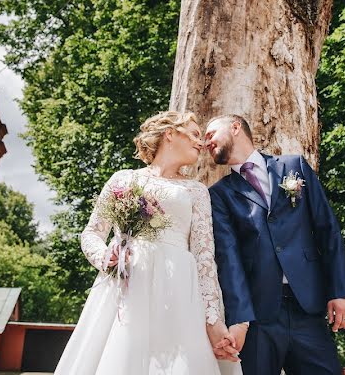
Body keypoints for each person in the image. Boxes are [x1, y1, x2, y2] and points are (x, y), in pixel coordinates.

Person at [54, 111, 242, 375]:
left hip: (179, 293)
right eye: (195, 134)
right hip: (127, 289)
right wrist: (104, 256)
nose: (201, 143)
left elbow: (204, 257)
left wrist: (212, 318)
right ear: (170, 134)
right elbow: (91, 233)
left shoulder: (196, 191)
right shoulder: (124, 179)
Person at [205, 114, 345, 375]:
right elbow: (229, 260)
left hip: (307, 307)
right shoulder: (219, 194)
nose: (206, 141)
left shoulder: (294, 166)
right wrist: (240, 320)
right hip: (258, 316)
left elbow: (327, 229)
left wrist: (341, 291)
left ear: (235, 127)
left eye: (211, 133)